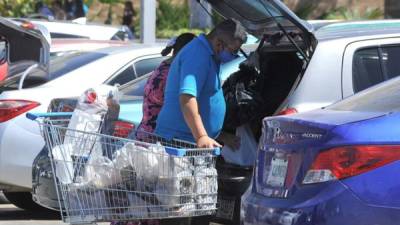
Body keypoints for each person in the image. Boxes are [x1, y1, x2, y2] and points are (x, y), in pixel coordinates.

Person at [111, 33, 195, 225]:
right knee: (151, 200)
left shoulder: (164, 66)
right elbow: (181, 106)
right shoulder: (171, 74)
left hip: (147, 136)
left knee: (143, 197)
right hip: (155, 141)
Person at [154, 19, 247, 148]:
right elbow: (187, 98)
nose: (234, 55)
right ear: (219, 44)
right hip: (179, 141)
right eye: (233, 51)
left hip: (188, 140)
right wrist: (201, 136)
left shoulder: (209, 55)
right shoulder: (198, 55)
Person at [136, 33, 196, 136]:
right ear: (188, 52)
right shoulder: (171, 74)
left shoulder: (165, 65)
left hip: (147, 133)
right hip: (155, 138)